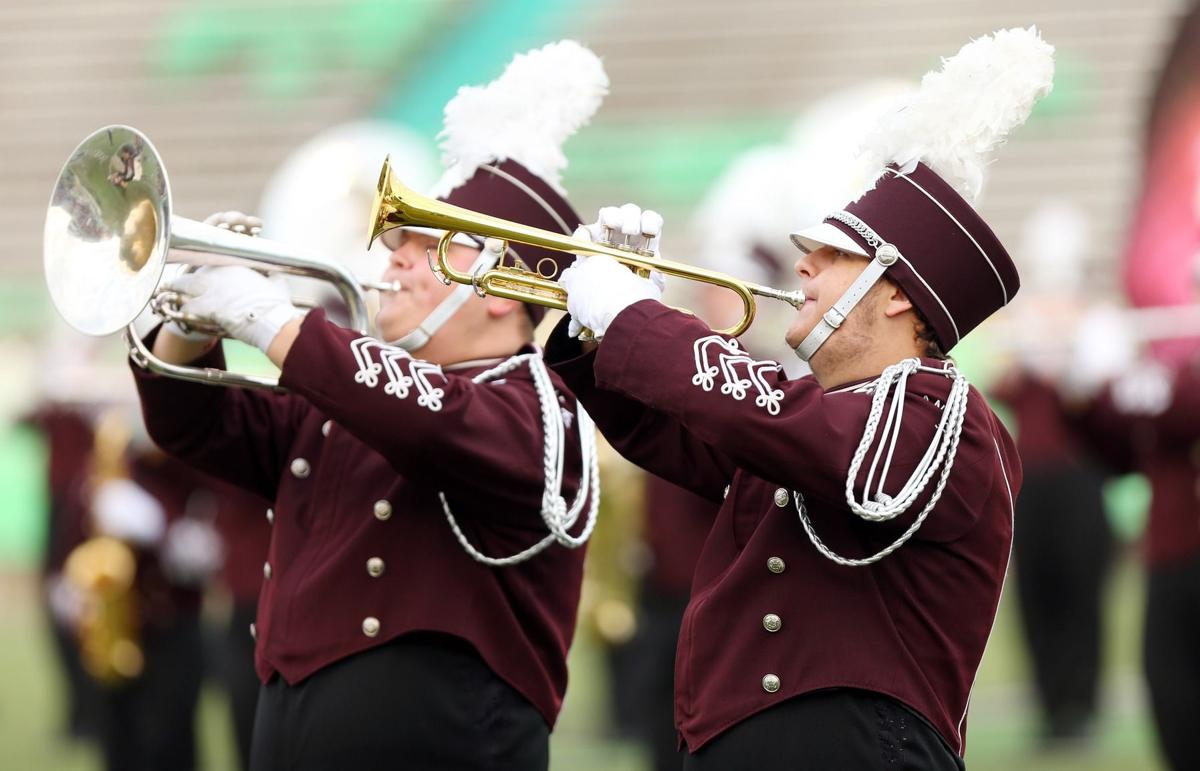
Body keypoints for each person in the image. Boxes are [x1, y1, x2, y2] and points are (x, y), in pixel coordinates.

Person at [546, 28, 1053, 769]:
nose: (803, 262)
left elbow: (787, 425)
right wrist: (595, 333)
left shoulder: (945, 415)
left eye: (834, 253)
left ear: (898, 299)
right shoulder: (805, 410)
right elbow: (673, 434)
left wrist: (638, 319)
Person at [128, 40, 606, 770]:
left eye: (425, 245)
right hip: (290, 726)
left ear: (507, 285)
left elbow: (433, 418)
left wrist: (269, 319)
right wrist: (189, 326)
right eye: (396, 242)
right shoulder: (351, 395)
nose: (393, 259)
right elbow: (195, 426)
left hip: (448, 736)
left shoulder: (540, 410)